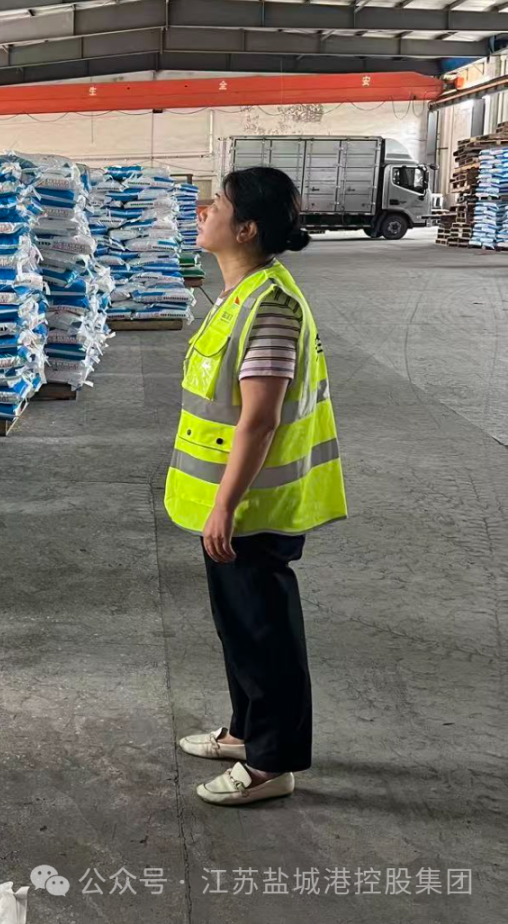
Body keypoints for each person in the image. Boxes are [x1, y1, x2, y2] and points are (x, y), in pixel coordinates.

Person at [166, 168, 347, 806]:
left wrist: (226, 504)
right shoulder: (240, 293)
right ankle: (247, 732)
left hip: (254, 506)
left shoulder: (269, 304)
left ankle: (272, 763)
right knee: (240, 626)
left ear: (245, 228)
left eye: (216, 203)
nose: (202, 210)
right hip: (232, 503)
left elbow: (260, 418)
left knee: (265, 632)